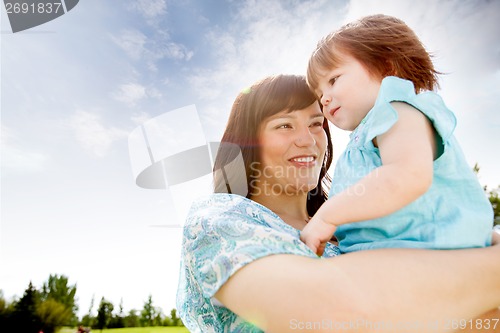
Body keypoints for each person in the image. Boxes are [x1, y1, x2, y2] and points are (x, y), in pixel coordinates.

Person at [176, 74, 500, 333]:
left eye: (316, 123)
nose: (308, 139)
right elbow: (333, 316)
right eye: (284, 125)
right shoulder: (219, 219)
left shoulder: (351, 229)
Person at [301, 14, 493, 255]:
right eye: (319, 95)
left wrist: (327, 217)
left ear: (386, 67)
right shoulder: (365, 137)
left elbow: (407, 175)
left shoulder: (397, 109)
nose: (325, 98)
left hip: (430, 251)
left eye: (333, 79)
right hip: (396, 256)